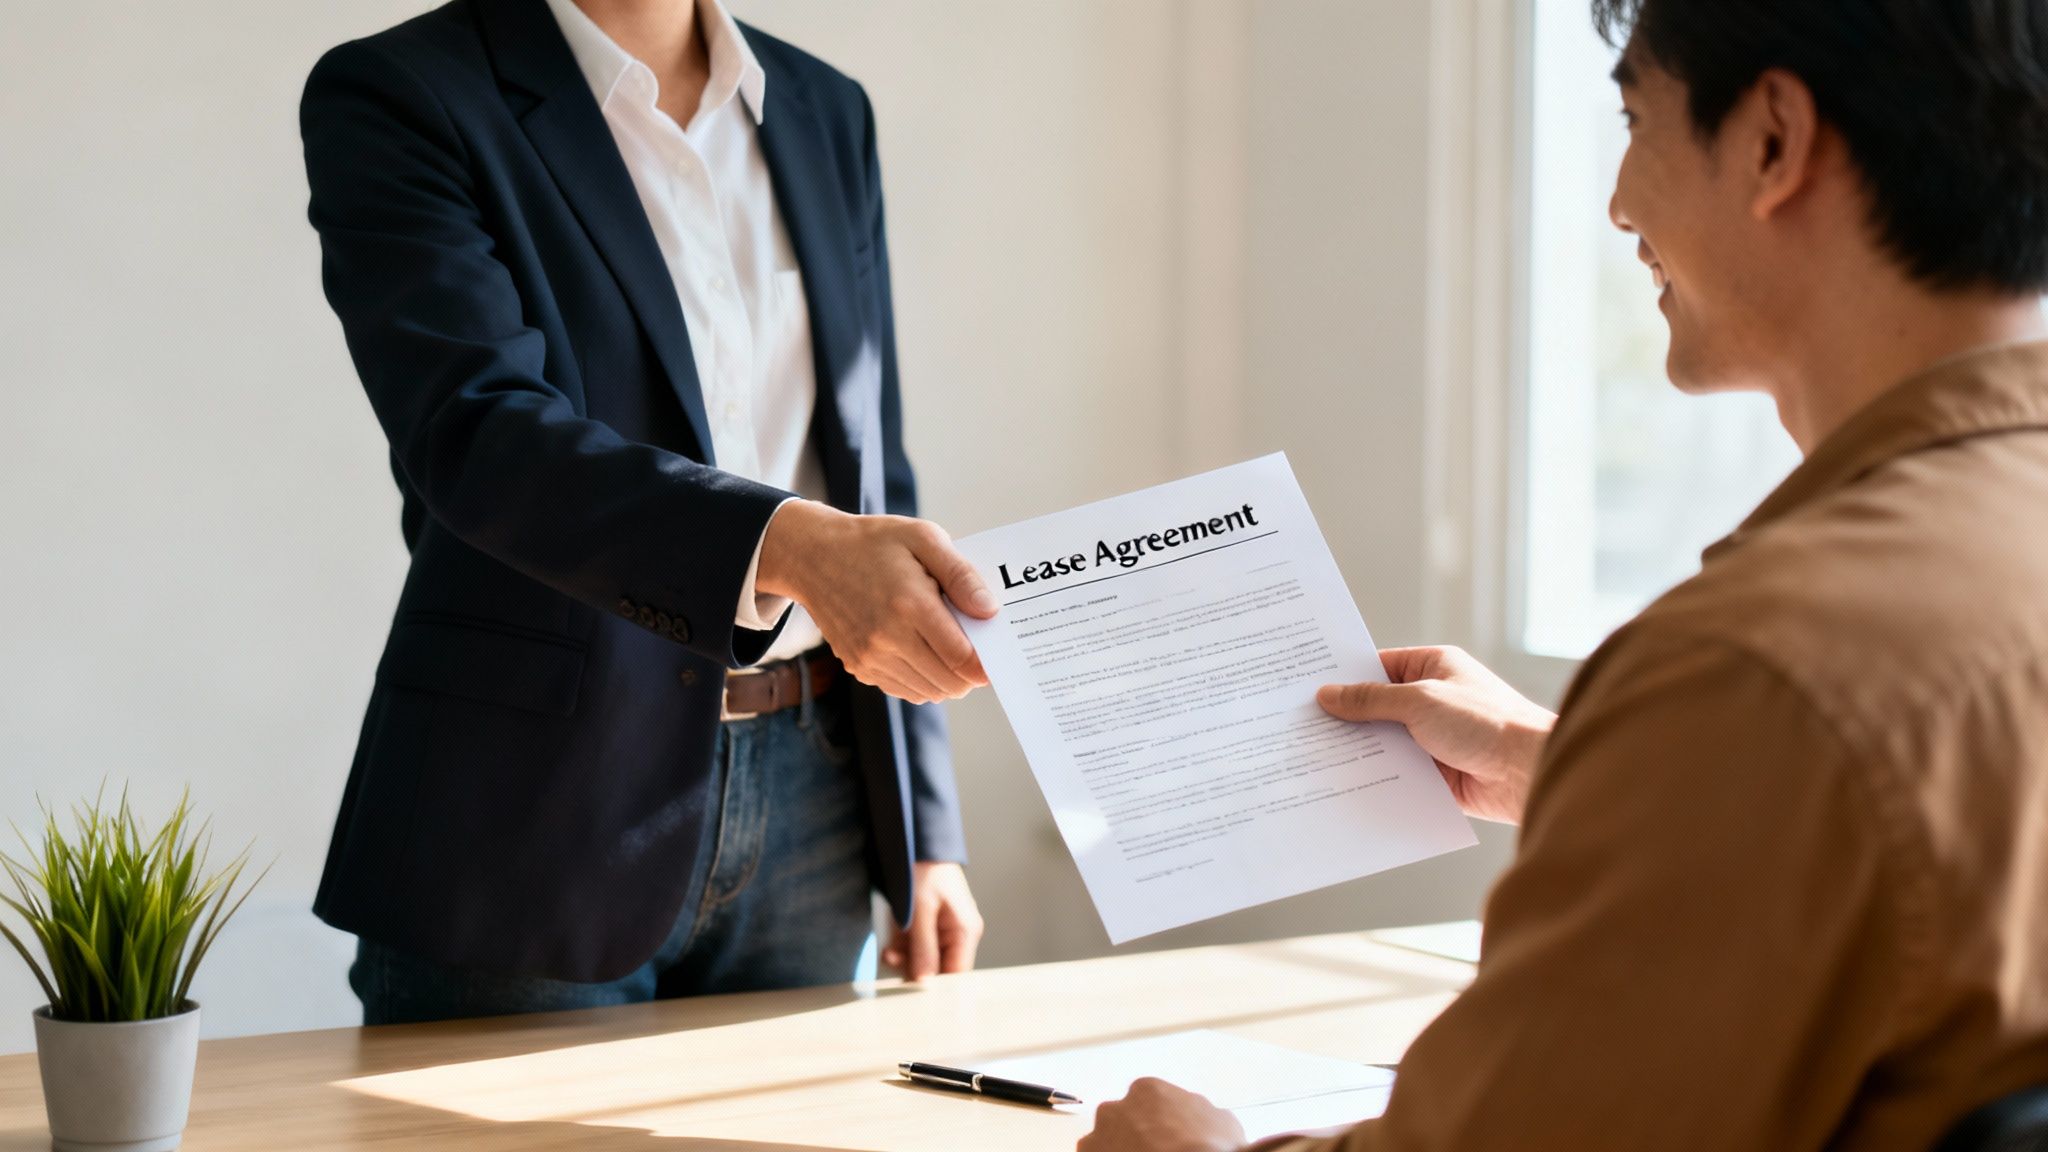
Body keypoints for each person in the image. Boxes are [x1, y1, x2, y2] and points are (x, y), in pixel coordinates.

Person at [1083, 0, 2048, 1148]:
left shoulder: (1758, 669)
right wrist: (1585, 770)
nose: (1617, 202)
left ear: (1772, 141)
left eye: (1634, 119)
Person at [300, 0, 992, 1022]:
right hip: (532, 808)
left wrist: (924, 826)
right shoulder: (406, 92)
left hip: (817, 796)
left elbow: (871, 470)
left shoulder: (822, 108)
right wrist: (793, 548)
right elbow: (481, 438)